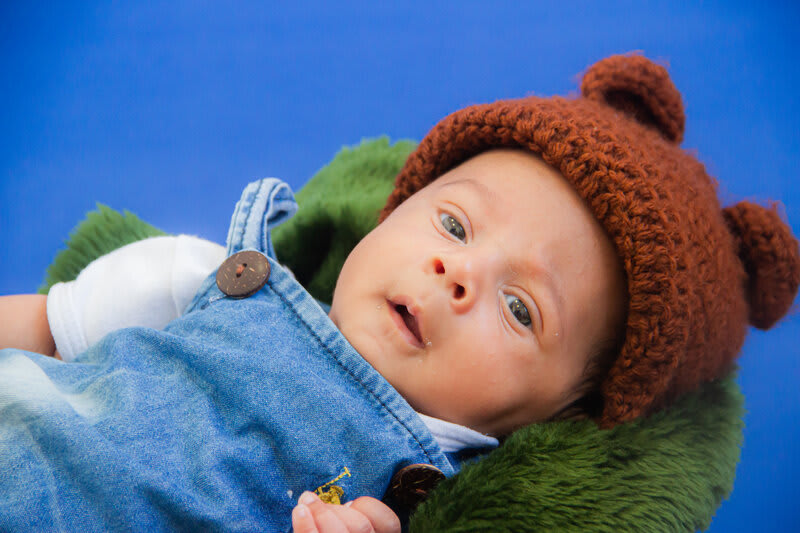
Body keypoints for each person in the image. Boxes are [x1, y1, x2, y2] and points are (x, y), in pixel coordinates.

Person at [0, 54, 797, 533]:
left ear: (559, 415)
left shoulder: (428, 493)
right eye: (453, 224)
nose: (458, 273)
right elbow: (43, 326)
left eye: (521, 308)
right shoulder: (213, 277)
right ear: (395, 209)